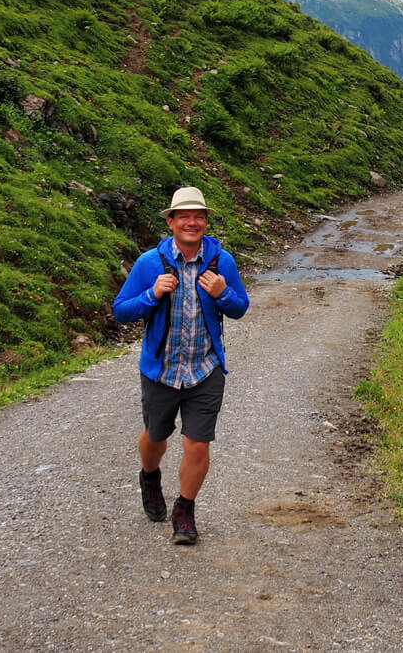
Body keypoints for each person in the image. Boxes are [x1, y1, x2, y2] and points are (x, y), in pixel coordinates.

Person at [112, 185, 249, 544]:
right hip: (161, 371)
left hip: (205, 370)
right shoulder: (149, 264)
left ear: (206, 222)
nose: (192, 222)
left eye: (198, 216)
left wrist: (223, 292)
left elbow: (239, 308)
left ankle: (184, 510)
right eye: (184, 216)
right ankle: (150, 476)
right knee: (155, 436)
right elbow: (121, 310)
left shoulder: (222, 262)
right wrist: (151, 294)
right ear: (171, 222)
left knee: (198, 444)